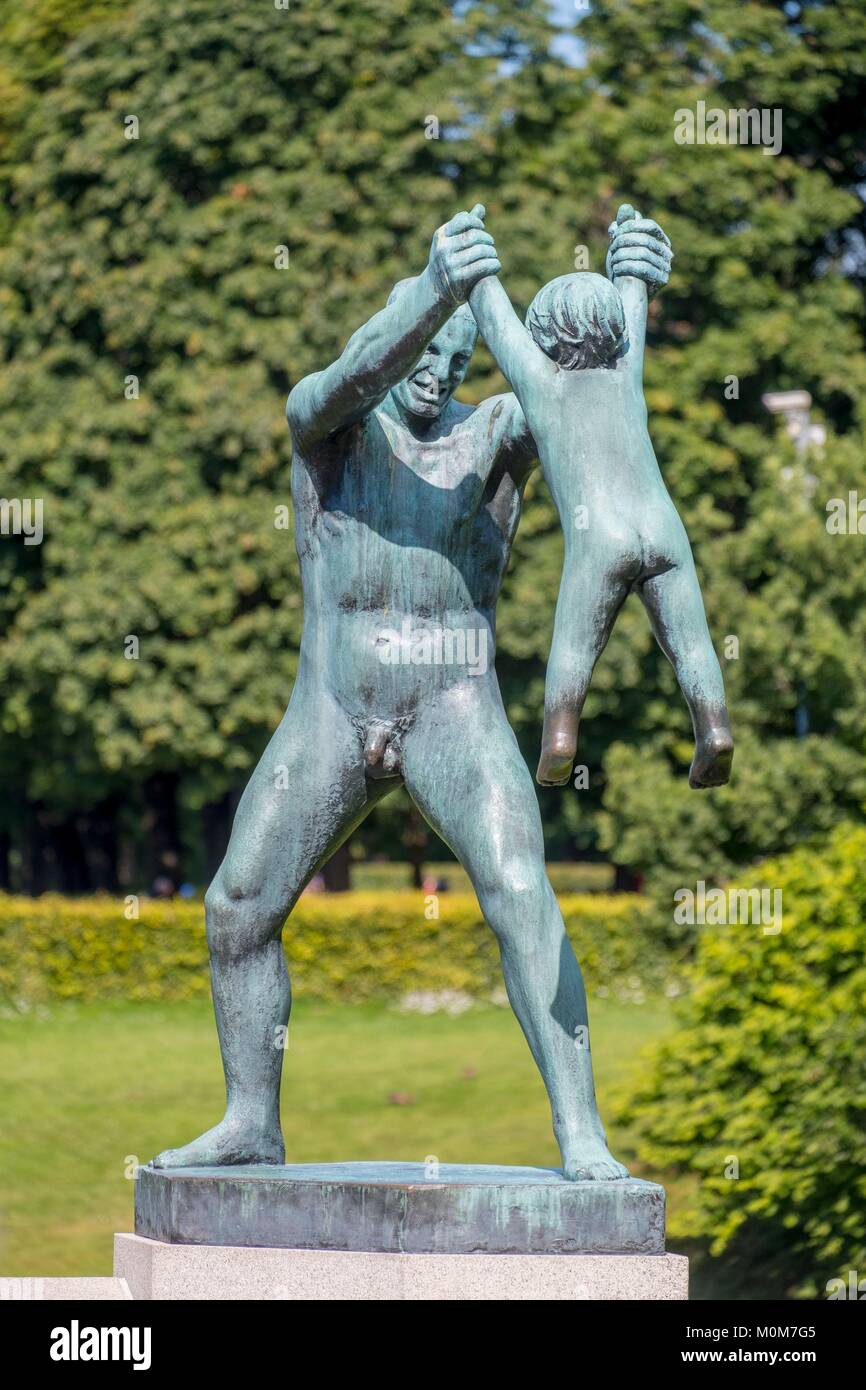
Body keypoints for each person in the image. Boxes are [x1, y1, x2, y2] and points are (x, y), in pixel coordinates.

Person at [152, 204, 671, 1180]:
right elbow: (330, 387)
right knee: (234, 906)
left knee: (521, 890)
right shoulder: (331, 434)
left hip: (454, 707)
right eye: (420, 346)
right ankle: (250, 1119)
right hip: (331, 710)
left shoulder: (500, 431)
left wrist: (627, 292)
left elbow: (599, 407)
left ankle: (580, 1136)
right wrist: (433, 293)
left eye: (456, 351)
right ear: (392, 339)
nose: (434, 369)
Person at [469, 205, 733, 789]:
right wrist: (628, 259)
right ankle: (713, 728)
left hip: (601, 538)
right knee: (692, 642)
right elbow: (634, 300)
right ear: (611, 331)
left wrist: (475, 256)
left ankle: (560, 740)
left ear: (547, 337)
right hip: (665, 529)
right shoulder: (625, 369)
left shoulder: (543, 386)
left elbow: (494, 317)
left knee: (575, 644)